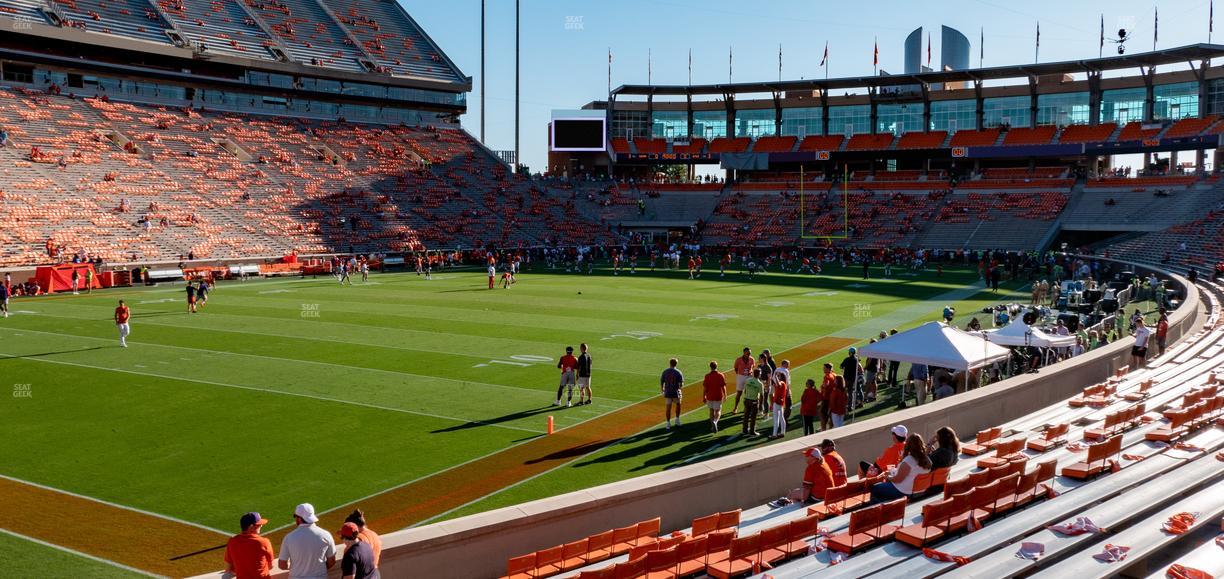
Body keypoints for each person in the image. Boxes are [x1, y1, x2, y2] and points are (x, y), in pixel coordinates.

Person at [868, 433, 932, 504]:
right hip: (920, 491)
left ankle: (877, 510)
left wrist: (888, 477)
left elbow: (897, 480)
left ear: (908, 445)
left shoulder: (909, 460)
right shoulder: (927, 459)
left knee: (875, 488)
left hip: (903, 491)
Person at [278, 503, 336, 579]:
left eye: (295, 516)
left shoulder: (289, 537)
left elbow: (282, 565)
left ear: (299, 518)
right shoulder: (326, 534)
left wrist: (296, 568)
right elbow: (331, 561)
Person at [225, 512, 275, 579]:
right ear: (251, 527)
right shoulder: (264, 542)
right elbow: (271, 566)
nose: (261, 526)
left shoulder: (232, 541)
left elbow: (229, 568)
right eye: (259, 525)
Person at [702, 360, 726, 432]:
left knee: (711, 411)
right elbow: (723, 387)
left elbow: (705, 388)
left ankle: (712, 427)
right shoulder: (721, 375)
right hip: (718, 396)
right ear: (716, 366)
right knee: (718, 411)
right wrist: (725, 395)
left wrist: (704, 396)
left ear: (710, 367)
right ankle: (715, 421)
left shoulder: (707, 376)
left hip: (710, 396)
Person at [730, 347, 755, 414]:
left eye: (750, 353)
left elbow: (753, 367)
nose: (749, 354)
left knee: (747, 393)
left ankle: (746, 408)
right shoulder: (738, 360)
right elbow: (735, 368)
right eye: (748, 353)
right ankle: (735, 408)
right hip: (740, 376)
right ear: (744, 353)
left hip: (749, 377)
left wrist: (750, 374)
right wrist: (740, 375)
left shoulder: (752, 359)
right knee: (739, 393)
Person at [660, 358, 684, 429]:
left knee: (668, 408)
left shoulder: (665, 371)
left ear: (670, 363)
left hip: (668, 392)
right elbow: (681, 383)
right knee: (678, 405)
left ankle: (668, 423)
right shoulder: (678, 372)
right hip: (675, 392)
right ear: (676, 364)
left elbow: (662, 381)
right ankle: (677, 419)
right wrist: (679, 388)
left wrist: (662, 390)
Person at [740, 367, 764, 436]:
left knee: (746, 416)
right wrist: (760, 405)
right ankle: (752, 431)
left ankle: (744, 430)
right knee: (753, 417)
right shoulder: (759, 384)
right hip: (754, 401)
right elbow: (762, 395)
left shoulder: (748, 380)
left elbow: (745, 390)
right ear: (759, 374)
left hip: (746, 400)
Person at [769, 372, 789, 439]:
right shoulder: (783, 384)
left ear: (781, 377)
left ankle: (774, 434)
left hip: (777, 403)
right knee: (781, 418)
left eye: (779, 376)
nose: (778, 377)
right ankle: (782, 432)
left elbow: (778, 384)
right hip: (780, 403)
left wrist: (775, 376)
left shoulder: (782, 383)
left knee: (776, 419)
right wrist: (772, 378)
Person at [819, 363, 837, 431]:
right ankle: (830, 426)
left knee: (822, 413)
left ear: (828, 369)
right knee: (830, 413)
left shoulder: (826, 376)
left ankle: (823, 428)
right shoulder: (834, 374)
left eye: (824, 368)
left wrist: (822, 387)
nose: (823, 369)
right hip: (832, 397)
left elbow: (826, 384)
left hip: (826, 397)